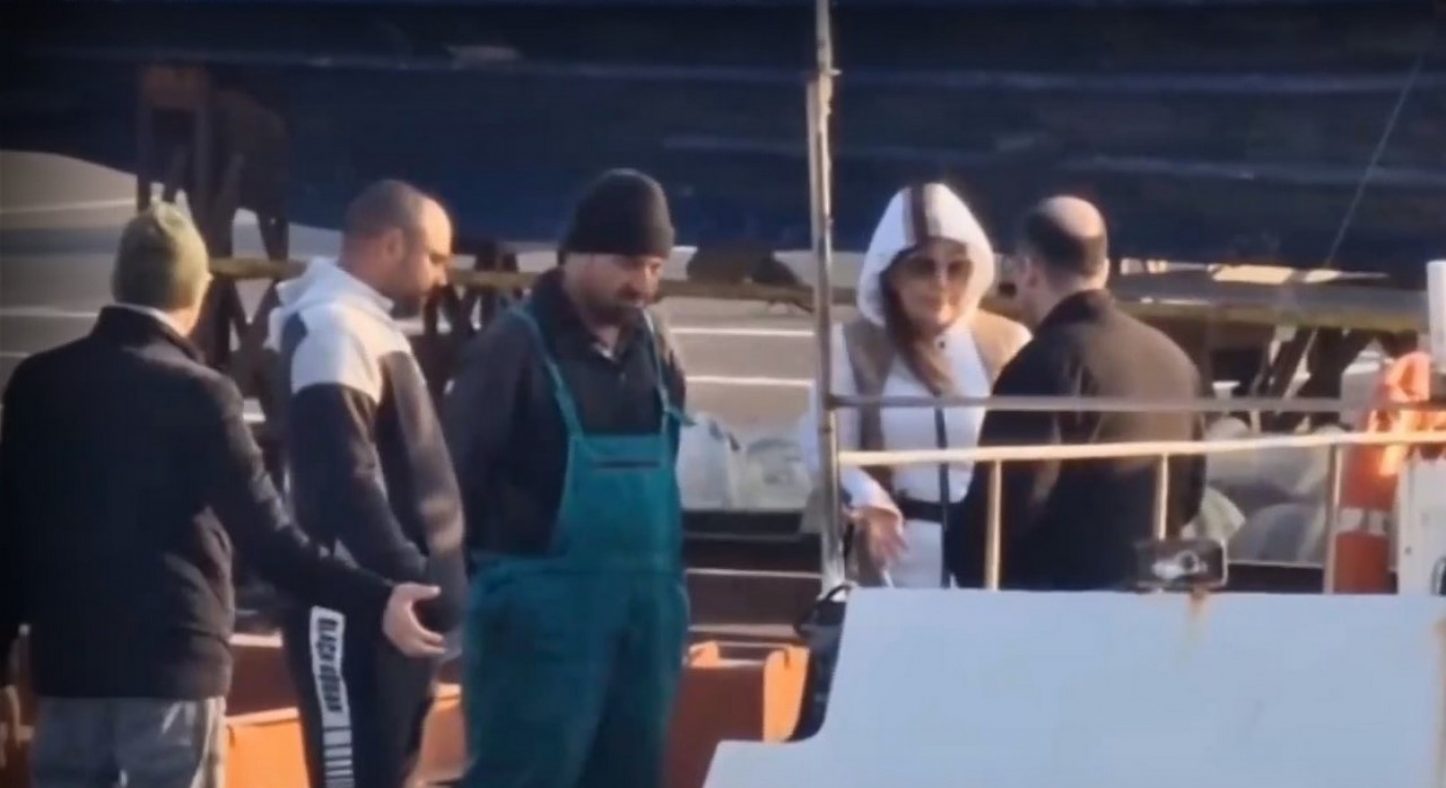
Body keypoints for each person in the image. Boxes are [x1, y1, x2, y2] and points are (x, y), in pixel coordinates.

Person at [0, 204, 445, 788]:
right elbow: (270, 541)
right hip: (173, 668)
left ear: (118, 281)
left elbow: (11, 533)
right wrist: (377, 598)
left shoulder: (38, 383)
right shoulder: (201, 394)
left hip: (66, 671)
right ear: (198, 290)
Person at [444, 169, 688, 788]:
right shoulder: (514, 347)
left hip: (646, 616)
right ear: (577, 254)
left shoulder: (656, 347)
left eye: (655, 267)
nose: (643, 284)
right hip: (540, 621)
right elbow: (457, 478)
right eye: (629, 264)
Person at [266, 180, 469, 788]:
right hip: (358, 618)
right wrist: (403, 584)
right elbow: (341, 482)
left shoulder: (363, 326)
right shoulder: (333, 329)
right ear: (391, 244)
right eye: (435, 257)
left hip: (395, 620)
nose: (442, 277)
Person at [946, 195, 1207, 590]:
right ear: (1104, 268)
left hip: (1065, 606)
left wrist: (956, 550)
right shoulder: (1174, 360)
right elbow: (1190, 496)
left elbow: (1005, 509)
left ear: (1028, 269)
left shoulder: (1044, 364)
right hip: (1157, 594)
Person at [799, 182, 1030, 587]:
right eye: (923, 267)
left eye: (956, 268)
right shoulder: (852, 346)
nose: (941, 283)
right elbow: (823, 447)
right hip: (891, 564)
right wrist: (867, 496)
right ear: (891, 274)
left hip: (990, 563)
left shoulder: (1008, 342)